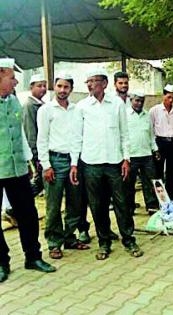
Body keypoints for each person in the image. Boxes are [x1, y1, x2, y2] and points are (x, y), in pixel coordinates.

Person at [70, 69, 143, 260]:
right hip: (91, 163)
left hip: (114, 162)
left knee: (122, 202)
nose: (90, 85)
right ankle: (104, 242)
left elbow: (124, 134)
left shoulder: (117, 104)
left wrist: (126, 159)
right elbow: (76, 137)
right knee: (97, 204)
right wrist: (74, 164)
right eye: (88, 81)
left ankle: (128, 239)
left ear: (104, 84)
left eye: (94, 81)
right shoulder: (82, 106)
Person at [0, 58, 56, 283]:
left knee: (29, 215)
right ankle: (1, 262)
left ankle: (33, 257)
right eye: (11, 77)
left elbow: (21, 134)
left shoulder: (14, 101)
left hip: (17, 169)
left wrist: (29, 161)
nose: (15, 82)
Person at [37, 74, 89, 259]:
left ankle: (70, 238)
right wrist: (46, 165)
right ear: (54, 87)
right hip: (54, 161)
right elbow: (41, 139)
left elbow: (77, 138)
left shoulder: (76, 110)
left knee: (75, 203)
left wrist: (75, 164)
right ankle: (54, 243)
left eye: (66, 87)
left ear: (71, 89)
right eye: (59, 86)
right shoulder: (46, 110)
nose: (62, 90)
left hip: (73, 161)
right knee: (53, 205)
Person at [149, 84, 173, 199]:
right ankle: (159, 198)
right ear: (163, 96)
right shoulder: (154, 110)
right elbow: (150, 129)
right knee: (158, 172)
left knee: (171, 172)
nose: (171, 100)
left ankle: (170, 197)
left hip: (172, 143)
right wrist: (154, 147)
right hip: (159, 143)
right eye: (168, 97)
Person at [126, 91, 160, 214]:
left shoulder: (147, 115)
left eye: (141, 101)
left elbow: (151, 135)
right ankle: (129, 208)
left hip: (147, 154)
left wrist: (155, 149)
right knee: (129, 184)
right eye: (137, 100)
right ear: (131, 100)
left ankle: (151, 206)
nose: (139, 103)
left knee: (150, 182)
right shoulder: (125, 115)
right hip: (131, 155)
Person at [22, 73, 47, 197]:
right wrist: (36, 155)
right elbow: (30, 132)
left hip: (43, 149)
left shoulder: (41, 104)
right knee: (39, 181)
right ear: (31, 87)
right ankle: (17, 206)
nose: (43, 88)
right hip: (38, 151)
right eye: (39, 86)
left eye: (44, 85)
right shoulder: (29, 106)